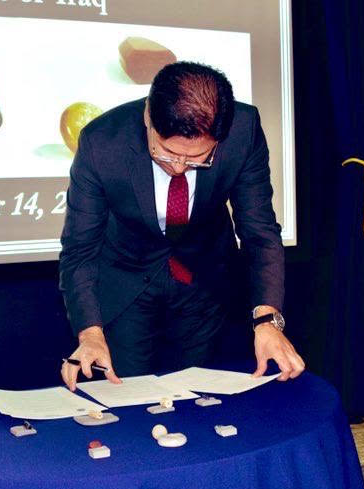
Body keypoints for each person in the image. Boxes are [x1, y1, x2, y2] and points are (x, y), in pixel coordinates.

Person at [58, 61, 304, 390]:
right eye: (167, 153)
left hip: (203, 277)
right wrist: (90, 334)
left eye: (197, 159)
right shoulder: (101, 142)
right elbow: (79, 250)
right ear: (148, 117)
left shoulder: (243, 130)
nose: (178, 168)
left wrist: (267, 320)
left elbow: (259, 231)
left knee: (200, 394)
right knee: (130, 394)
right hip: (127, 277)